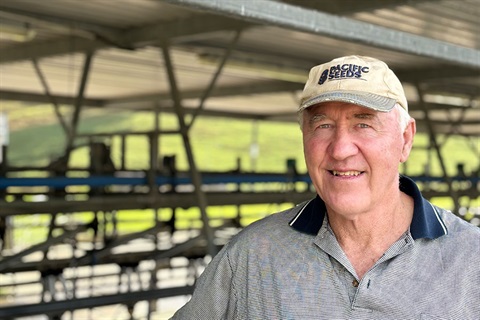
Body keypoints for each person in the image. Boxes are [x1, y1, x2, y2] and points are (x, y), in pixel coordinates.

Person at [171, 55, 480, 319]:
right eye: (323, 125)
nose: (341, 149)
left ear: (406, 139)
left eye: (364, 123)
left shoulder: (470, 259)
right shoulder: (251, 256)